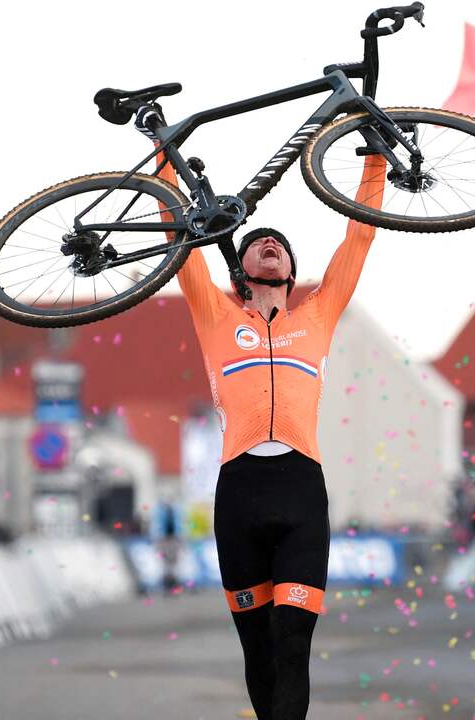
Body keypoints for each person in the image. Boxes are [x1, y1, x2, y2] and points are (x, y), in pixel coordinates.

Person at [156, 147, 385, 719]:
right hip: (239, 493)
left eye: (280, 243)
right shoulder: (216, 314)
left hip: (301, 489)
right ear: (242, 270)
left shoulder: (318, 314)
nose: (270, 243)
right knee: (258, 650)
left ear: (290, 270)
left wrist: (375, 163)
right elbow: (175, 234)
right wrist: (165, 155)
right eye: (259, 240)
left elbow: (359, 239)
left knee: (293, 642)